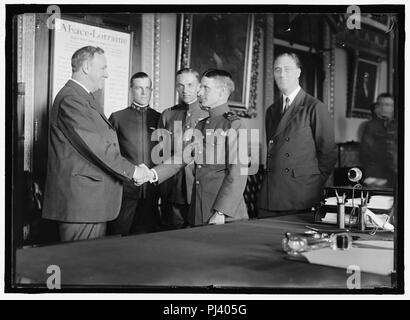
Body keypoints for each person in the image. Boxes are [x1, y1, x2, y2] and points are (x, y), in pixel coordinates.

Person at [42, 46, 150, 242]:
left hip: (90, 203)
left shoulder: (81, 98)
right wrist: (134, 171)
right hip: (82, 205)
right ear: (85, 67)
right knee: (79, 265)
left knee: (86, 264)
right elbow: (96, 147)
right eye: (103, 68)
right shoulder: (71, 99)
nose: (107, 74)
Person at [146, 69, 249, 226]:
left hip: (223, 214)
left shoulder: (234, 125)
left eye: (205, 88)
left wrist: (221, 212)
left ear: (221, 92)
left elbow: (237, 174)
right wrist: (152, 174)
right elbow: (183, 158)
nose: (199, 92)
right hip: (199, 209)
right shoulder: (202, 125)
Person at [257, 52, 337, 217]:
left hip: (301, 195)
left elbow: (328, 153)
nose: (282, 74)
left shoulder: (314, 107)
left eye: (287, 69)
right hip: (271, 194)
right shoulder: (271, 110)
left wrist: (312, 183)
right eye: (277, 69)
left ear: (298, 72)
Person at [107, 72, 161, 235]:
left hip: (152, 191)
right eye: (139, 88)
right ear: (131, 90)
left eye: (147, 88)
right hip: (125, 191)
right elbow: (109, 154)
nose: (144, 93)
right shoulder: (117, 117)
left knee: (148, 240)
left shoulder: (160, 118)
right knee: (119, 236)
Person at [158, 68, 208, 229]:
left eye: (190, 85)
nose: (185, 90)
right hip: (172, 188)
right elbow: (161, 154)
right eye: (181, 85)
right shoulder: (168, 115)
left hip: (198, 187)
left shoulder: (208, 115)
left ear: (199, 86)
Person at [360, 93, 397, 188]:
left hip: (396, 174)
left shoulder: (398, 125)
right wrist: (372, 177)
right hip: (377, 176)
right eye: (381, 104)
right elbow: (366, 153)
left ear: (393, 107)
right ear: (377, 106)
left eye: (387, 104)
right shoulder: (369, 126)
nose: (384, 107)